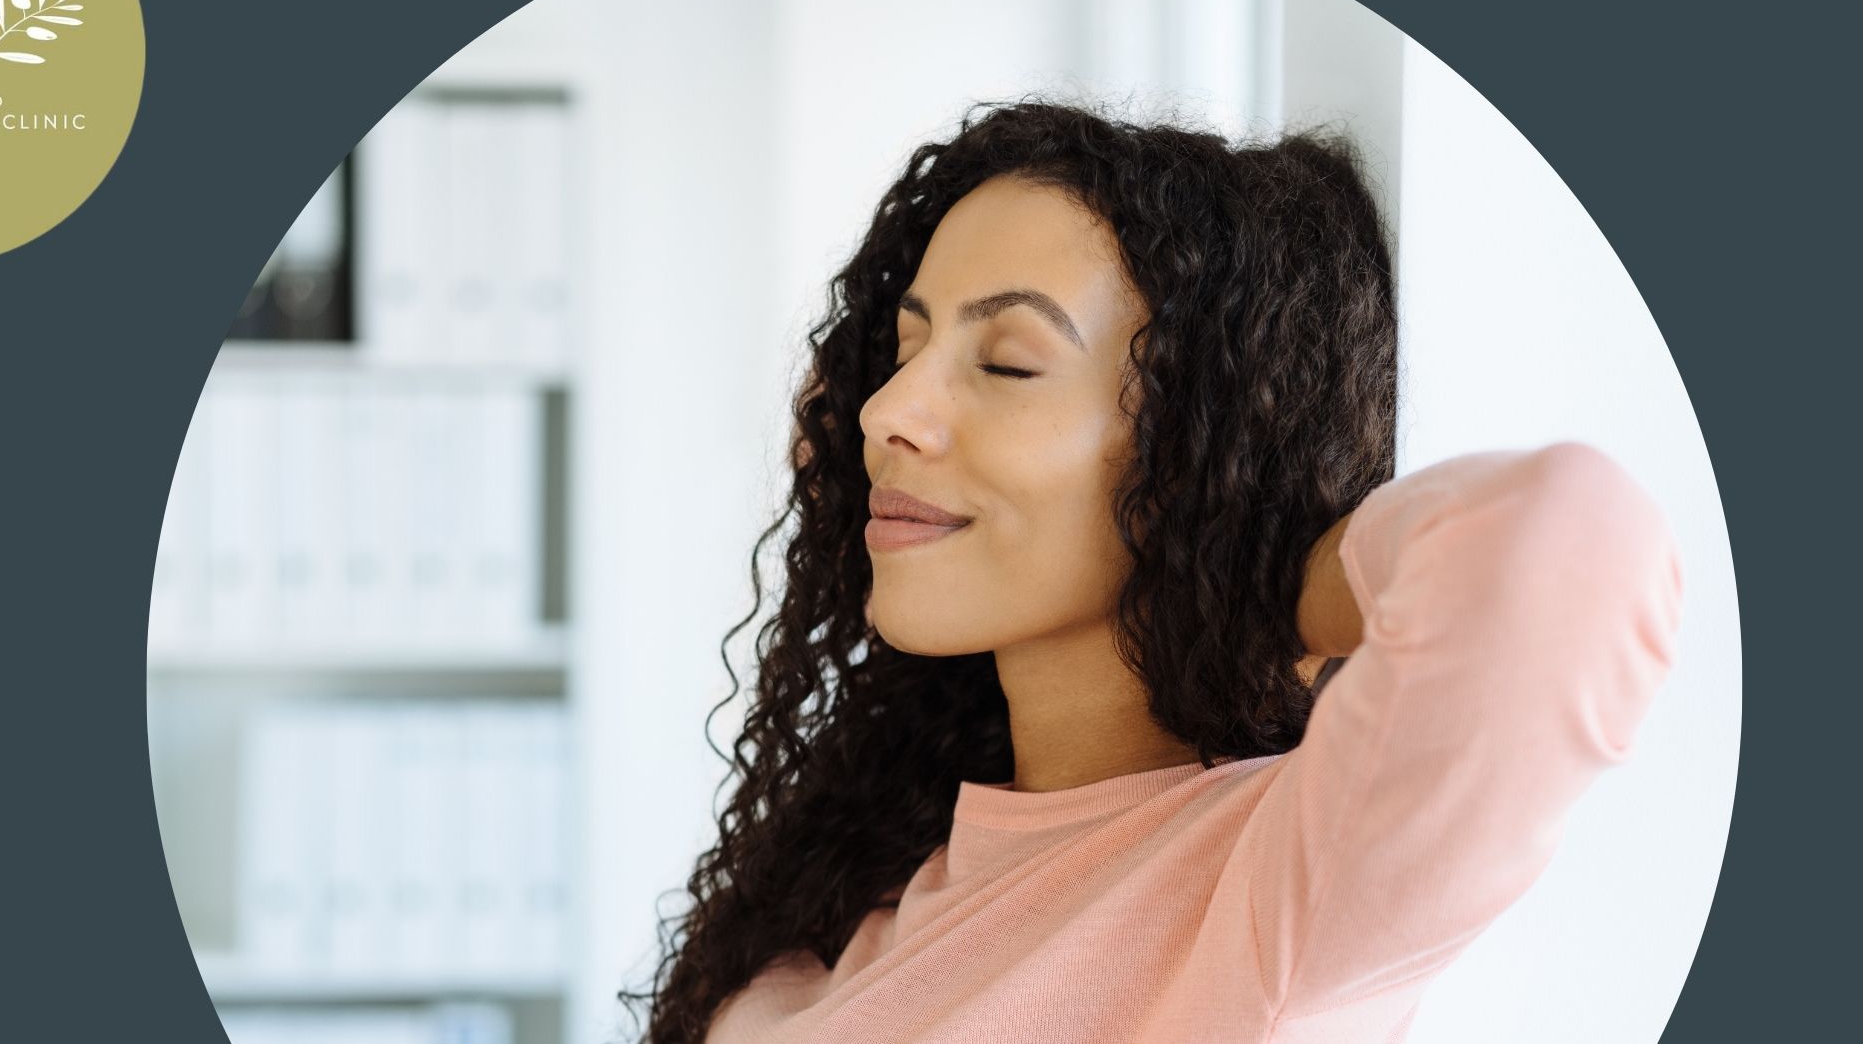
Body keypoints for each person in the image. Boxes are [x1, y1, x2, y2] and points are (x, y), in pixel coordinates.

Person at [614, 99, 1685, 1044]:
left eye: (1006, 364)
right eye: (902, 352)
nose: (886, 413)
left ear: (1193, 454)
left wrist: (1254, 563)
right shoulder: (869, 885)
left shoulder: (1272, 900)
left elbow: (1563, 544)